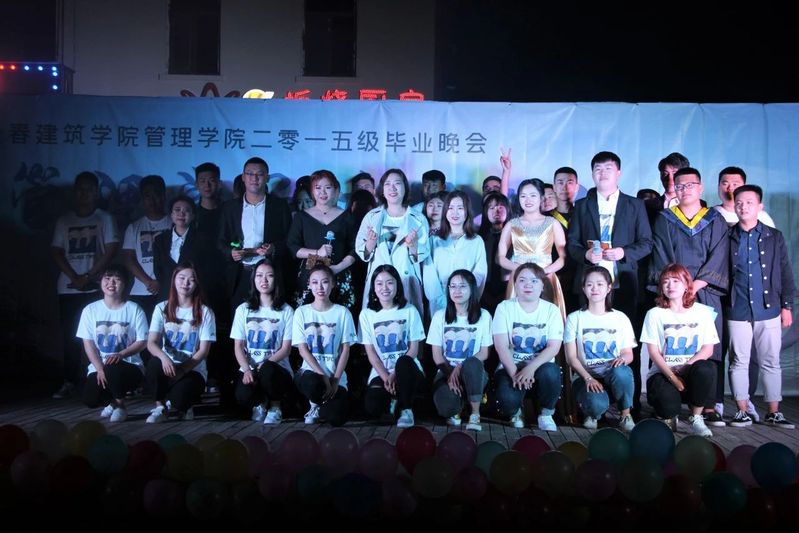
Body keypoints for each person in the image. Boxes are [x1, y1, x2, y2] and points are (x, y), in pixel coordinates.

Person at [567, 151, 653, 416]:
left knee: (627, 344)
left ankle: (630, 404)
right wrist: (585, 255)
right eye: (597, 169)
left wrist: (624, 252)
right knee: (587, 341)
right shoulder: (582, 205)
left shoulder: (634, 205)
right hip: (590, 284)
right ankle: (591, 401)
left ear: (618, 173)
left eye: (608, 168)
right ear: (592, 173)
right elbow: (572, 244)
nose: (602, 173)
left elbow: (646, 243)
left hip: (623, 283)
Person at [649, 167, 729, 426]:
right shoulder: (665, 219)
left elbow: (719, 255)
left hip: (705, 291)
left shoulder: (715, 220)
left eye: (689, 185)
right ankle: (669, 398)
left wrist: (696, 284)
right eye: (679, 186)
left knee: (710, 347)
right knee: (670, 342)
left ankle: (708, 405)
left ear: (700, 187)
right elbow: (662, 254)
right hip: (674, 290)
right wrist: (679, 284)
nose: (684, 190)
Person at [726, 185, 795, 428]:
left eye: (749, 202)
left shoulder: (774, 236)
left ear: (759, 206)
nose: (743, 207)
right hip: (738, 308)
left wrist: (787, 305)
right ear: (734, 207)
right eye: (739, 203)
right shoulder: (727, 236)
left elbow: (785, 271)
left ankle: (774, 412)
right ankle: (742, 411)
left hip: (769, 307)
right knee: (739, 361)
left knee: (771, 361)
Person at [51, 171, 120, 398]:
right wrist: (75, 277)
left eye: (89, 190)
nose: (84, 194)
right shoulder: (64, 220)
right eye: (80, 189)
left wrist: (89, 276)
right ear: (75, 192)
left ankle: (103, 377)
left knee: (101, 335)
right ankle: (70, 380)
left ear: (96, 193)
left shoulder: (105, 218)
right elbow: (57, 251)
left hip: (97, 286)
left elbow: (110, 250)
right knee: (71, 336)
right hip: (69, 287)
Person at [641, 264, 719, 437]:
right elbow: (654, 353)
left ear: (686, 285)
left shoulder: (702, 312)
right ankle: (668, 415)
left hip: (690, 372)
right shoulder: (654, 314)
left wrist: (685, 368)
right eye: (665, 281)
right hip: (664, 373)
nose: (670, 285)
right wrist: (673, 377)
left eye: (676, 281)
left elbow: (708, 349)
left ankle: (696, 417)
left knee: (707, 368)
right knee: (669, 407)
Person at [492, 263, 564, 431]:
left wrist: (530, 368)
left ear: (542, 285)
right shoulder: (504, 308)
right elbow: (501, 347)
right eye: (522, 280)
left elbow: (553, 347)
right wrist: (516, 374)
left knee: (551, 372)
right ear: (515, 284)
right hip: (511, 367)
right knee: (507, 401)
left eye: (534, 281)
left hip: (539, 367)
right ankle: (516, 412)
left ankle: (546, 414)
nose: (528, 285)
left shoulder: (551, 310)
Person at [564, 266, 636, 431]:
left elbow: (628, 353)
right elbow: (571, 358)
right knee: (596, 406)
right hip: (585, 377)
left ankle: (625, 415)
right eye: (589, 285)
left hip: (612, 376)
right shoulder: (574, 318)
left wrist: (622, 359)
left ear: (609, 288)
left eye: (600, 284)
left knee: (622, 372)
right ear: (583, 289)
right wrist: (588, 378)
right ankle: (593, 411)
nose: (594, 289)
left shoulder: (620, 318)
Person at [218, 157, 293, 313]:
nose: (254, 178)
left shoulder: (280, 206)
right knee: (238, 320)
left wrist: (273, 248)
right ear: (243, 177)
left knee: (270, 319)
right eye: (250, 174)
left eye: (259, 174)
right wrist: (231, 252)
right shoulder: (229, 208)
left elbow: (290, 240)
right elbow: (220, 241)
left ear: (267, 178)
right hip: (240, 274)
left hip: (269, 275)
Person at [145, 262, 217, 423]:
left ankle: (184, 405)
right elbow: (151, 343)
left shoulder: (205, 312)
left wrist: (183, 369)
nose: (186, 283)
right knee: (154, 364)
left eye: (191, 279)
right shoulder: (161, 308)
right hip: (168, 365)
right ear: (174, 280)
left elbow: (204, 351)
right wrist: (164, 358)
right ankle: (160, 407)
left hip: (192, 369)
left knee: (180, 399)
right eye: (182, 278)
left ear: (197, 284)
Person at [76, 265, 148, 423]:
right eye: (107, 278)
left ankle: (121, 406)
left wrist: (121, 354)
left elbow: (143, 341)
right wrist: (99, 368)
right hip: (101, 366)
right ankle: (112, 402)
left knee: (113, 365)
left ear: (125, 284)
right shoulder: (90, 310)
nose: (111, 283)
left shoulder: (134, 309)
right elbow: (88, 343)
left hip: (129, 365)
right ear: (101, 281)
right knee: (90, 399)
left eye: (117, 279)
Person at [355, 169, 430, 316]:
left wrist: (414, 246)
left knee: (407, 322)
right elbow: (362, 252)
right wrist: (370, 243)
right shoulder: (372, 216)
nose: (392, 188)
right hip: (379, 281)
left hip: (406, 279)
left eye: (397, 183)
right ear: (382, 190)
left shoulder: (418, 218)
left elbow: (423, 253)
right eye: (388, 184)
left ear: (405, 188)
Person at [359, 265, 426, 427]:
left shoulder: (410, 310)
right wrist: (386, 377)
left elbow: (414, 349)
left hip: (408, 370)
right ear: (373, 287)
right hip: (382, 372)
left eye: (390, 283)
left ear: (397, 285)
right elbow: (371, 353)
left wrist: (395, 374)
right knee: (372, 406)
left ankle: (406, 410)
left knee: (403, 362)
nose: (385, 288)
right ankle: (394, 400)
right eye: (379, 283)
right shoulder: (366, 314)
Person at [230, 259, 295, 425]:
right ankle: (260, 402)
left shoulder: (286, 310)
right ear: (253, 279)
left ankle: (275, 406)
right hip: (250, 367)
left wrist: (265, 364)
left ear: (276, 279)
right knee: (242, 396)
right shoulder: (243, 309)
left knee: (268, 371)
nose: (264, 280)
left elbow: (286, 349)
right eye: (259, 275)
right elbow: (238, 346)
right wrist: (246, 369)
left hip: (276, 368)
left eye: (269, 276)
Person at [292, 264, 357, 427]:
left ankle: (324, 407)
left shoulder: (342, 312)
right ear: (309, 285)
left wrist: (335, 380)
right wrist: (323, 377)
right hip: (311, 373)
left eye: (325, 282)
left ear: (333, 284)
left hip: (335, 375)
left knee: (336, 418)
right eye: (315, 282)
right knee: (314, 384)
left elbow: (346, 349)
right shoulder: (301, 312)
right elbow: (302, 349)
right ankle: (314, 405)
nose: (320, 287)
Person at [428, 270, 492, 430]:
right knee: (446, 408)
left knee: (472, 364)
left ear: (472, 289)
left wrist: (460, 367)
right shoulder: (439, 316)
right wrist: (451, 374)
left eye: (462, 286)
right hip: (446, 372)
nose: (457, 291)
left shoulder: (484, 316)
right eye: (453, 286)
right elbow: (437, 355)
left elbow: (484, 353)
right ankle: (459, 405)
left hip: (474, 372)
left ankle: (475, 414)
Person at [497, 178, 567, 316]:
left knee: (547, 318)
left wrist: (544, 271)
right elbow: (500, 257)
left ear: (541, 198)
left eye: (532, 195)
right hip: (519, 278)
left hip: (546, 278)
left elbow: (562, 257)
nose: (527, 200)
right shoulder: (511, 224)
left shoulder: (552, 223)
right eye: (523, 196)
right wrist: (520, 270)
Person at [287, 170, 357, 308]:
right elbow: (292, 246)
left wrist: (337, 268)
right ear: (312, 191)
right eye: (318, 188)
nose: (322, 192)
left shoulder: (347, 216)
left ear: (336, 190)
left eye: (328, 187)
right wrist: (317, 253)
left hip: (339, 273)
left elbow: (355, 248)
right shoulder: (302, 217)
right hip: (310, 276)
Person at [424, 190, 487, 319]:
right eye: (451, 208)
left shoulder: (476, 240)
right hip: (439, 298)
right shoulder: (434, 240)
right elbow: (429, 272)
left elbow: (480, 271)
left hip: (467, 298)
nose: (455, 213)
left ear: (467, 212)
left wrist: (467, 294)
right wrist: (438, 298)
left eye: (460, 208)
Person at [121, 175, 171, 319]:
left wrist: (162, 282)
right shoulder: (134, 227)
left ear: (164, 196)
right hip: (141, 291)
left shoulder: (174, 223)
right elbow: (128, 258)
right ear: (142, 198)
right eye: (148, 195)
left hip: (169, 290)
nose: (152, 199)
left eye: (156, 194)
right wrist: (148, 282)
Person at [153, 195, 203, 301]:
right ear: (171, 214)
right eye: (177, 210)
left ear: (193, 215)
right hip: (166, 293)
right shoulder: (160, 240)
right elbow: (158, 269)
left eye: (187, 210)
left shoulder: (202, 240)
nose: (181, 214)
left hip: (193, 295)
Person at [478, 192, 511, 315]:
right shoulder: (479, 238)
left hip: (509, 288)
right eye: (491, 207)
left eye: (501, 207)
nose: (496, 211)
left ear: (508, 210)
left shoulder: (515, 237)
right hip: (483, 289)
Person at [644, 152, 690, 227]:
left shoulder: (699, 205)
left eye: (675, 173)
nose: (670, 179)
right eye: (665, 174)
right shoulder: (647, 206)